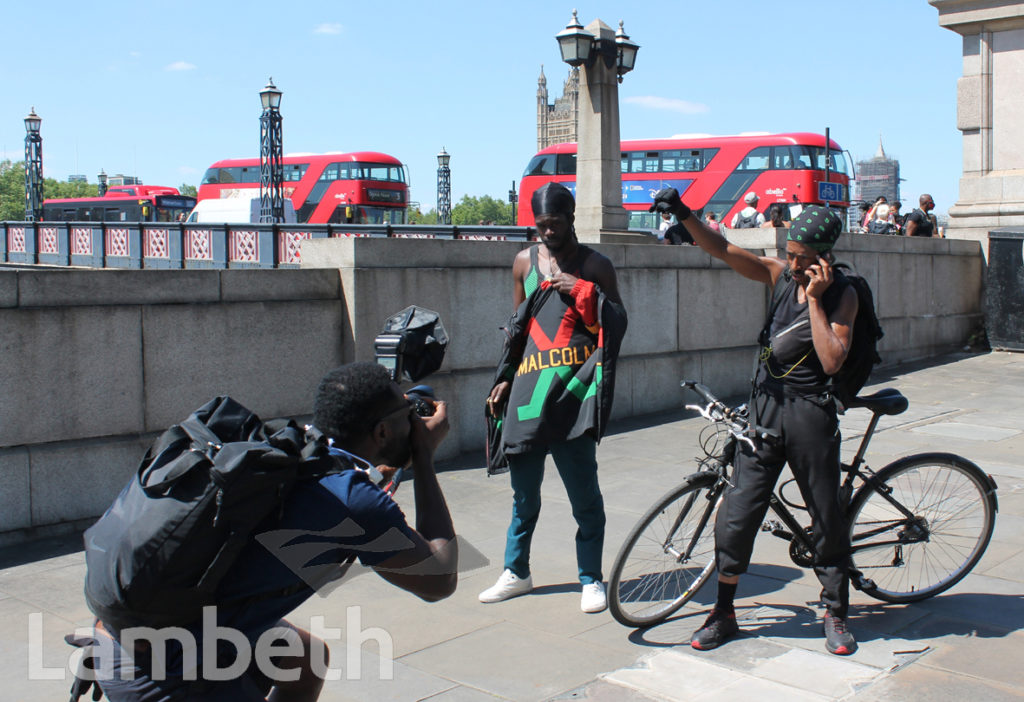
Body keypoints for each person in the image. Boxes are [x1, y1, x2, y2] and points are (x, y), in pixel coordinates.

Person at [92, 362, 458, 701]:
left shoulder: (296, 450)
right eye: (406, 417)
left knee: (306, 659)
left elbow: (334, 504)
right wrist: (424, 457)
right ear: (381, 431)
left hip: (131, 624)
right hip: (161, 669)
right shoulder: (354, 502)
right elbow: (439, 578)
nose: (414, 423)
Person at [649, 187, 860, 656]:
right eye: (790, 254)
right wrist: (684, 213)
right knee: (737, 514)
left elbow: (830, 362)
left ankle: (835, 610)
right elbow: (723, 248)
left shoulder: (842, 295)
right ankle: (724, 612)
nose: (794, 264)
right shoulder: (779, 275)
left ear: (825, 259)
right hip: (764, 409)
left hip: (809, 413)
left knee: (825, 514)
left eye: (803, 258)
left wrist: (815, 299)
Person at [481, 182, 627, 614]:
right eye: (541, 225)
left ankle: (591, 578)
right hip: (529, 391)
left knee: (584, 493)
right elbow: (518, 329)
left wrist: (581, 290)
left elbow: (617, 324)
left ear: (572, 219)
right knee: (523, 493)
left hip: (574, 392)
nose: (548, 232)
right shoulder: (523, 262)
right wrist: (505, 379)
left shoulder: (595, 265)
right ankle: (516, 571)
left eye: (555, 224)